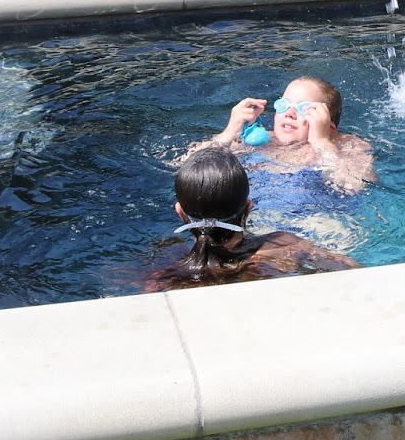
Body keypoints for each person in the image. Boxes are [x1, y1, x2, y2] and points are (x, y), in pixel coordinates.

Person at [147, 146, 359, 291]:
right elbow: (354, 272)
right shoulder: (284, 246)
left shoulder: (168, 258)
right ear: (248, 208)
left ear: (180, 212)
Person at [206, 75, 376, 195]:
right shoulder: (263, 141)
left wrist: (321, 142)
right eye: (284, 105)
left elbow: (353, 186)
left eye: (304, 109)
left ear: (329, 126)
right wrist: (228, 133)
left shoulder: (347, 145)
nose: (289, 113)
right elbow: (195, 167)